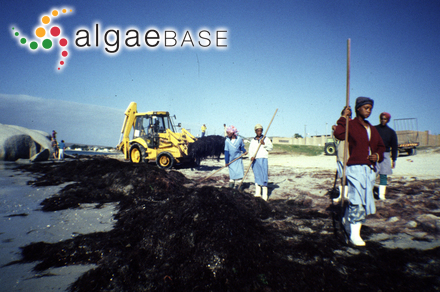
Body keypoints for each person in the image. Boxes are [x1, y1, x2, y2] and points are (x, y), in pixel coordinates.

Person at [334, 96, 385, 246]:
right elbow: (338, 134)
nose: (368, 111)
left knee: (364, 199)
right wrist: (343, 117)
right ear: (358, 108)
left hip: (370, 170)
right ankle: (354, 235)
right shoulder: (351, 125)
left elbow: (381, 147)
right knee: (358, 200)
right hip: (355, 168)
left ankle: (346, 219)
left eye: (370, 108)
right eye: (366, 108)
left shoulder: (373, 129)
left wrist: (377, 155)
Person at [375, 112, 398, 200]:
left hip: (386, 154)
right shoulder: (374, 129)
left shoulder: (391, 132)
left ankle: (381, 195)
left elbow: (394, 146)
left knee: (383, 175)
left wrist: (394, 159)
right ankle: (369, 192)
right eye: (381, 118)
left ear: (388, 120)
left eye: (385, 119)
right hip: (375, 154)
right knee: (372, 174)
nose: (383, 120)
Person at [332, 106, 351, 203]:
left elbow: (340, 134)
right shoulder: (343, 123)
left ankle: (346, 196)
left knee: (346, 174)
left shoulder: (349, 123)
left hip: (347, 151)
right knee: (342, 175)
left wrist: (343, 118)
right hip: (343, 152)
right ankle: (343, 195)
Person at [249, 124, 273, 200]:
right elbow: (251, 150)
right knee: (257, 175)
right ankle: (258, 193)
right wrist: (251, 157)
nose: (259, 132)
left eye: (261, 130)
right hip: (255, 160)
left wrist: (264, 144)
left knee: (264, 175)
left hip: (263, 158)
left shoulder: (266, 139)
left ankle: (265, 195)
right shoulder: (253, 140)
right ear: (255, 131)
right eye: (258, 131)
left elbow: (271, 148)